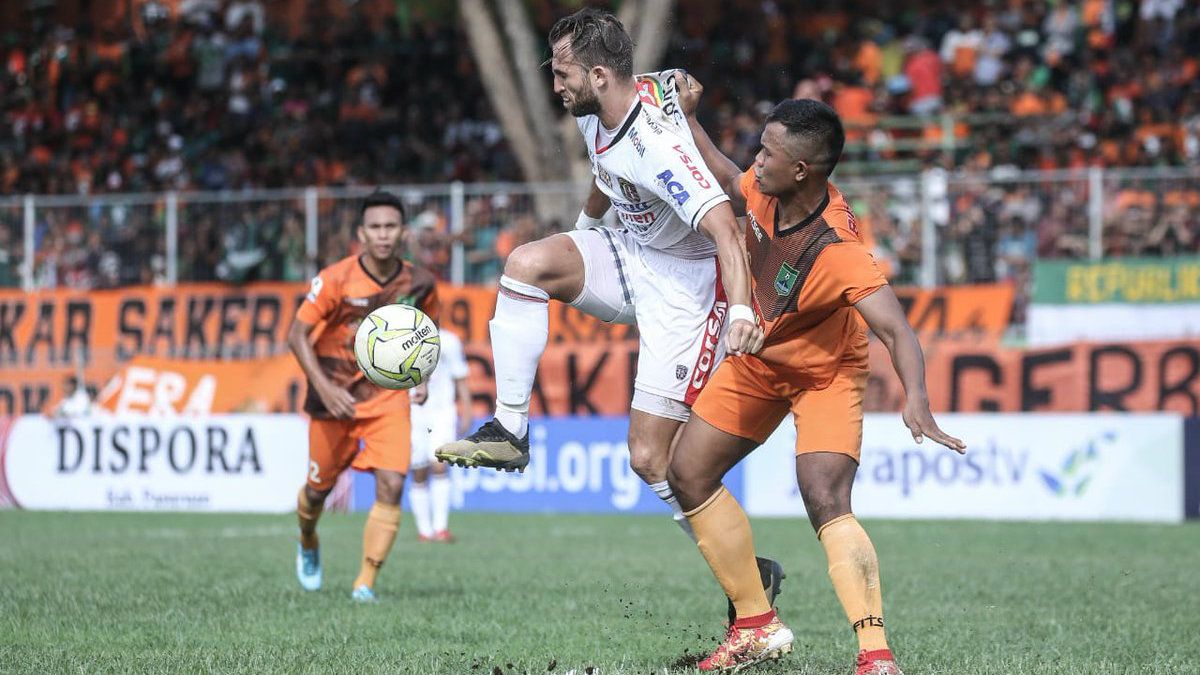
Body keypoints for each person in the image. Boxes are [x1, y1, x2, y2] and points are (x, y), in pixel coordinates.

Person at [435, 7, 782, 623]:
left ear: (598, 74)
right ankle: (510, 429)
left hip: (690, 288)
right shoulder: (603, 106)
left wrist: (737, 315)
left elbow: (726, 227)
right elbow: (605, 174)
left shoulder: (656, 145)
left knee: (651, 459)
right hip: (631, 253)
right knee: (527, 263)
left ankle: (750, 576)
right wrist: (582, 239)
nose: (556, 85)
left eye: (563, 73)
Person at [666, 75, 966, 673]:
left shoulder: (839, 250)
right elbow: (728, 175)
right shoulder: (766, 189)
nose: (757, 159)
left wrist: (918, 400)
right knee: (686, 472)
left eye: (768, 152)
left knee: (824, 495)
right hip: (759, 360)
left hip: (825, 373)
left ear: (802, 169)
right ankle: (755, 624)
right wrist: (689, 118)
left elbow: (897, 330)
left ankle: (875, 655)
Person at [288, 189, 439, 602]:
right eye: (375, 227)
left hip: (386, 397)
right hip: (332, 398)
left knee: (392, 483)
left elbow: (425, 334)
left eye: (391, 226)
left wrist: (420, 376)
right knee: (317, 492)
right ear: (361, 233)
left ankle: (365, 582)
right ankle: (307, 538)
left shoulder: (420, 282)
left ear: (403, 232)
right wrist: (325, 387)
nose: (383, 235)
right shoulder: (336, 279)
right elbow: (295, 334)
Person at [408, 326, 471, 543]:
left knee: (439, 465)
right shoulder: (402, 339)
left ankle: (441, 528)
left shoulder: (449, 341)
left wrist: (467, 411)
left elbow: (460, 378)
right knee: (418, 471)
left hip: (442, 412)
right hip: (413, 411)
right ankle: (424, 530)